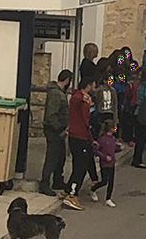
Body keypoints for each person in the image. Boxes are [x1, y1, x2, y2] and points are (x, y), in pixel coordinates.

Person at [63, 78, 97, 211]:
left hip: (77, 136)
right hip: (80, 136)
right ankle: (72, 194)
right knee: (80, 168)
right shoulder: (81, 99)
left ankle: (68, 189)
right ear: (89, 85)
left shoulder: (78, 97)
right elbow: (85, 120)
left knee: (78, 165)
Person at [39, 70, 73, 196]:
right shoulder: (56, 94)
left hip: (59, 130)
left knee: (60, 156)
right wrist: (59, 128)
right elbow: (51, 115)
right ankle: (45, 183)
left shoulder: (59, 93)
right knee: (52, 157)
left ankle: (58, 180)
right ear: (67, 80)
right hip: (54, 131)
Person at [90, 120, 117, 208]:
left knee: (111, 181)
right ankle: (93, 189)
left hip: (112, 163)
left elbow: (113, 149)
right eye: (114, 127)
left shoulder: (113, 139)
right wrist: (104, 157)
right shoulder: (102, 139)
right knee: (105, 181)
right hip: (104, 163)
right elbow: (96, 150)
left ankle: (108, 199)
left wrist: (118, 148)